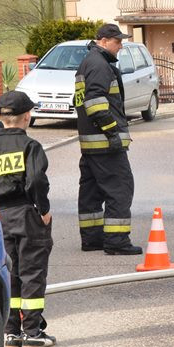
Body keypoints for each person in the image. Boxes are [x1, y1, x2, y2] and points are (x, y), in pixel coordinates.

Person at [0, 91, 55, 347]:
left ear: (0, 117)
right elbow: (36, 181)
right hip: (26, 213)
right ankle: (32, 332)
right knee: (32, 272)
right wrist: (43, 209)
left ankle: (9, 333)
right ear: (27, 116)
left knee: (9, 273)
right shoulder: (30, 146)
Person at [75, 23, 143, 255]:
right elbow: (95, 104)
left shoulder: (88, 63)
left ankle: (93, 239)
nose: (121, 46)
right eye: (118, 42)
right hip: (105, 144)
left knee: (91, 192)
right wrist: (113, 133)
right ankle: (116, 241)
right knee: (120, 188)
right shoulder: (99, 65)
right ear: (103, 41)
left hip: (91, 144)